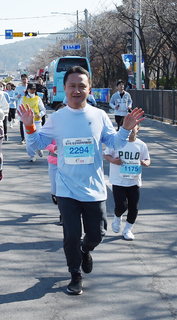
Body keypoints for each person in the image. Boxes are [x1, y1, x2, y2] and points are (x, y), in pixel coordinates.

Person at [18, 65, 145, 295]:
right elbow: (36, 145)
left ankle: (86, 250)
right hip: (66, 188)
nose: (77, 90)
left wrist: (125, 129)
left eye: (81, 86)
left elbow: (114, 144)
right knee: (71, 235)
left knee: (97, 234)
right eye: (72, 86)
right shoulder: (57, 118)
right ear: (64, 89)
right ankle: (75, 273)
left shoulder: (99, 116)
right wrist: (29, 126)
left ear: (89, 89)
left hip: (94, 188)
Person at [103, 123, 150, 240]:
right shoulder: (117, 143)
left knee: (134, 208)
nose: (130, 131)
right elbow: (106, 154)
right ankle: (117, 217)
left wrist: (146, 163)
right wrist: (114, 161)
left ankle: (128, 229)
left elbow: (147, 158)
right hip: (119, 181)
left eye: (133, 128)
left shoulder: (141, 145)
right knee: (122, 206)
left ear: (137, 129)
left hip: (134, 181)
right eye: (128, 128)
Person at [22, 82, 46, 162]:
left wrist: (40, 114)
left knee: (38, 138)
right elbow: (19, 111)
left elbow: (43, 110)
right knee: (28, 140)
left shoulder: (38, 98)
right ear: (27, 89)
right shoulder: (23, 99)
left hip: (37, 122)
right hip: (27, 123)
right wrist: (22, 119)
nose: (32, 91)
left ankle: (39, 148)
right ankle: (32, 156)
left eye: (34, 89)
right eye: (31, 89)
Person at [14, 74, 28, 144]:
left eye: (25, 79)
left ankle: (29, 137)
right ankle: (23, 138)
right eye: (23, 79)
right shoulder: (18, 88)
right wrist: (17, 96)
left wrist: (27, 93)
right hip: (21, 108)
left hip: (29, 107)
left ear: (27, 79)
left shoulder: (30, 87)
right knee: (22, 123)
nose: (24, 81)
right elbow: (14, 97)